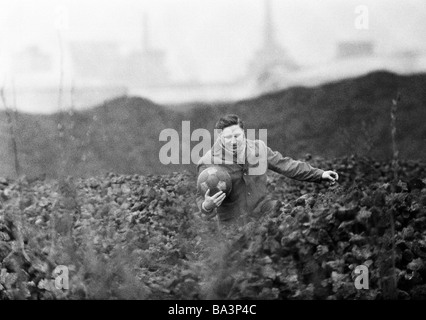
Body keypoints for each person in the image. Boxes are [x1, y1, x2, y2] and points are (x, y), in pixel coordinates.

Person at [196, 114, 339, 227]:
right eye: (227, 137)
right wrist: (206, 206)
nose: (233, 141)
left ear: (244, 133)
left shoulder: (259, 148)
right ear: (220, 137)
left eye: (237, 136)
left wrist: (320, 174)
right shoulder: (207, 161)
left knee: (288, 218)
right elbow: (200, 197)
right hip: (233, 223)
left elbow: (286, 165)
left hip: (264, 208)